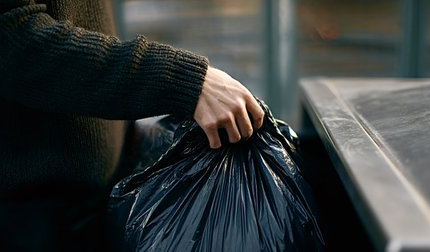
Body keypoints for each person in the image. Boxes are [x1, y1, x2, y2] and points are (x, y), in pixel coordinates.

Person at [0, 0, 264, 250]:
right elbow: (14, 41)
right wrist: (181, 79)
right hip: (29, 219)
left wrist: (122, 130)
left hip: (96, 200)